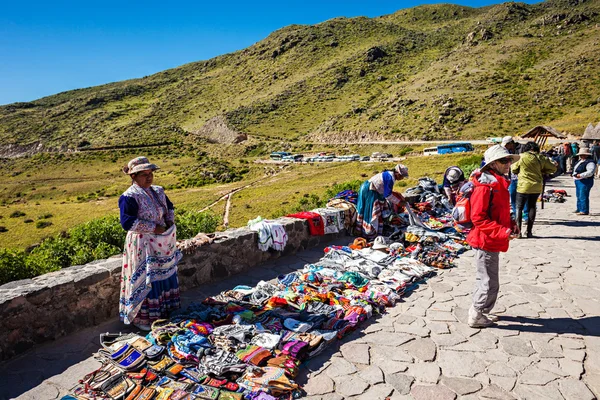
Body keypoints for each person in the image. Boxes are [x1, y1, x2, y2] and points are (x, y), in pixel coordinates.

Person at [118, 156, 182, 330]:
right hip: (142, 244)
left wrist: (169, 221)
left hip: (161, 243)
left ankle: (164, 311)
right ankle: (144, 318)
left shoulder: (158, 191)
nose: (149, 177)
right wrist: (154, 228)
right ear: (133, 177)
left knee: (163, 274)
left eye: (150, 173)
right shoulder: (129, 197)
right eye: (143, 175)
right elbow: (127, 222)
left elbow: (169, 207)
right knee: (147, 277)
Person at [467, 145, 520, 328]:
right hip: (485, 239)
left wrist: (511, 225)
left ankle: (480, 311)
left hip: (492, 238)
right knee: (489, 281)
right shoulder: (485, 186)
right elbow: (478, 217)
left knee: (486, 278)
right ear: (493, 164)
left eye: (509, 160)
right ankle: (477, 314)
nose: (508, 164)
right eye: (504, 161)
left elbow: (501, 211)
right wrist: (503, 231)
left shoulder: (498, 182)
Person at [510, 142, 557, 238]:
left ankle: (518, 232)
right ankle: (529, 232)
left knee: (519, 207)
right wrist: (543, 171)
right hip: (536, 186)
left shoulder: (521, 157)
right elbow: (553, 168)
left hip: (523, 186)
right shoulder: (541, 158)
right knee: (532, 207)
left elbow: (513, 169)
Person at [355, 164, 409, 238]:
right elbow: (388, 195)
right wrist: (399, 202)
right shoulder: (390, 178)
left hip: (372, 190)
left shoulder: (390, 176)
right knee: (369, 213)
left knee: (373, 212)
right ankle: (368, 234)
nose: (402, 178)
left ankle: (366, 232)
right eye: (401, 176)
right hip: (369, 191)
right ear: (397, 173)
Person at [501, 136, 522, 217]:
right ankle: (516, 214)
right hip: (512, 177)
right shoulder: (507, 151)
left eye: (506, 145)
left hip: (521, 177)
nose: (505, 147)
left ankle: (526, 216)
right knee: (512, 196)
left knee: (523, 197)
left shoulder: (522, 148)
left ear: (511, 143)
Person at [572, 148, 596, 215]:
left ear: (587, 155)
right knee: (578, 195)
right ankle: (579, 208)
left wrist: (581, 175)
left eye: (583, 155)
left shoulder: (590, 162)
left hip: (586, 180)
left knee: (583, 195)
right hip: (578, 180)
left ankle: (584, 210)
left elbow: (590, 172)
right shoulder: (579, 161)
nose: (581, 156)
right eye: (581, 155)